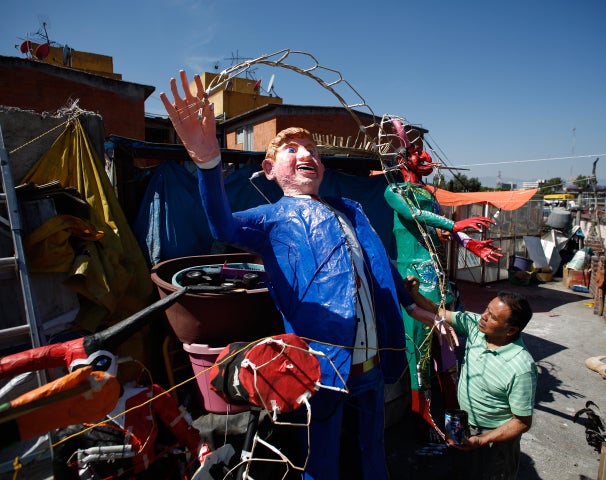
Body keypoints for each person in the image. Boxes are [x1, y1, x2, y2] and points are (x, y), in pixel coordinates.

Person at [160, 71, 440, 480]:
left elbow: (379, 269)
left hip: (372, 361)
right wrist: (208, 163)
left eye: (312, 149)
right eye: (293, 148)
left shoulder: (350, 211)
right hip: (319, 364)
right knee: (319, 453)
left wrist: (417, 307)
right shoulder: (271, 219)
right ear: (270, 169)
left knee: (372, 447)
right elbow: (222, 224)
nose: (307, 154)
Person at [384, 119, 502, 442]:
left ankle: (453, 430)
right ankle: (422, 432)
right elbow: (416, 216)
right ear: (401, 160)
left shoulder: (429, 194)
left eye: (425, 153)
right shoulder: (394, 191)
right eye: (417, 152)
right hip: (415, 284)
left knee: (448, 359)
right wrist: (455, 225)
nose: (426, 158)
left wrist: (468, 241)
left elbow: (437, 229)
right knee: (419, 363)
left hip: (438, 282)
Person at [405, 276, 536, 480]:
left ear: (511, 330)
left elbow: (522, 422)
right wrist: (414, 294)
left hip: (495, 439)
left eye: (492, 317)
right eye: (486, 309)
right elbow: (438, 312)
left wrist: (482, 440)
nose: (483, 316)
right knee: (463, 472)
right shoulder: (476, 327)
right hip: (464, 426)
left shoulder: (521, 367)